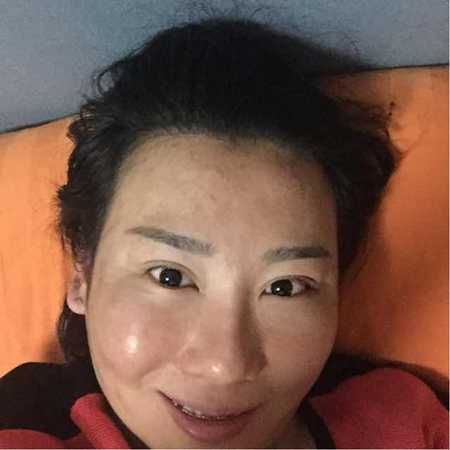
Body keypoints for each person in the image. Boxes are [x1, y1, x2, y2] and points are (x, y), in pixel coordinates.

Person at [0, 8, 448, 450]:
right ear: (83, 271)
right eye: (170, 276)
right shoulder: (28, 426)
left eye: (285, 287)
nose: (226, 366)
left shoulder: (404, 420)